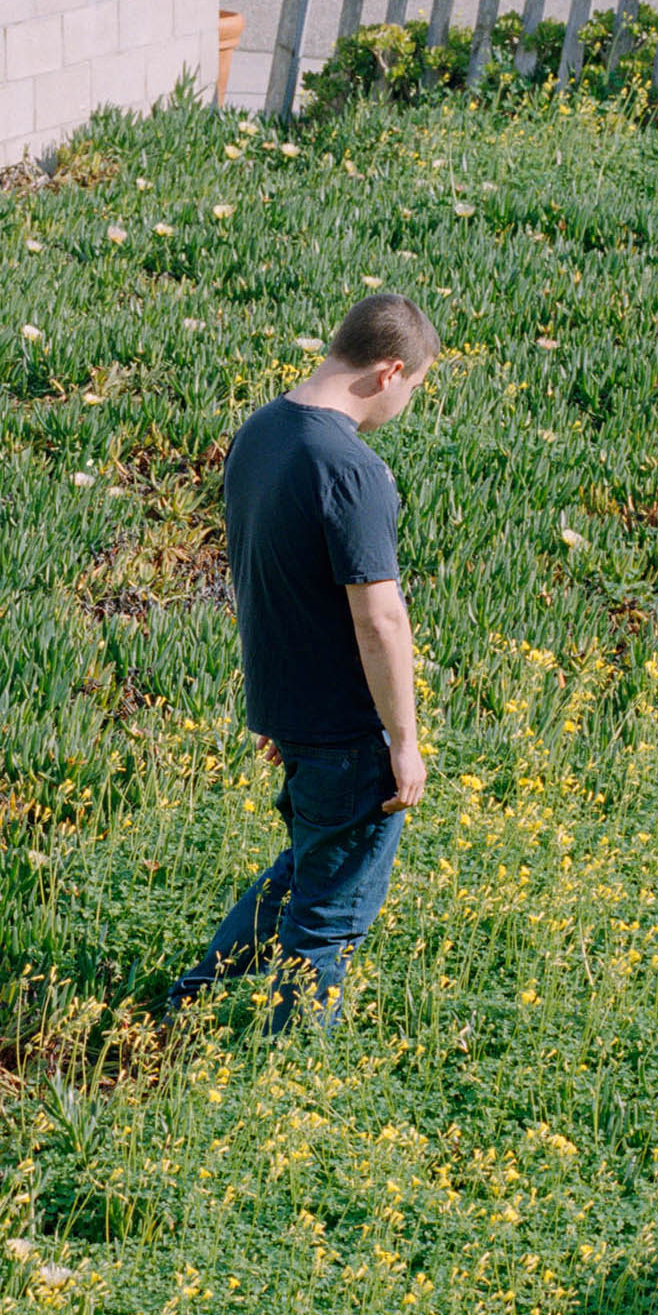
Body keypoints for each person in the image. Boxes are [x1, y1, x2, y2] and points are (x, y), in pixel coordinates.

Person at [164, 292, 439, 1024]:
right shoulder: (350, 467)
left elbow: (266, 576)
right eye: (415, 386)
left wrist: (275, 709)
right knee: (327, 918)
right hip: (348, 735)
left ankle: (190, 999)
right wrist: (405, 744)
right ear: (389, 371)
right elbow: (379, 618)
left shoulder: (261, 433)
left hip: (289, 713)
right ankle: (286, 1063)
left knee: (300, 872)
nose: (407, 402)